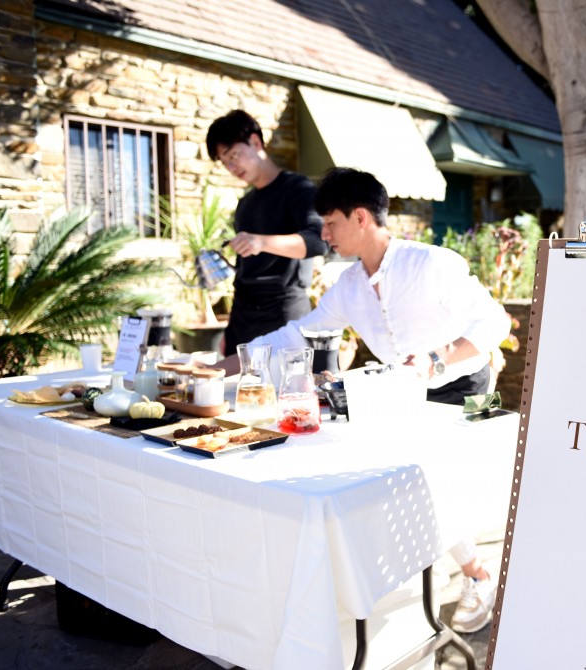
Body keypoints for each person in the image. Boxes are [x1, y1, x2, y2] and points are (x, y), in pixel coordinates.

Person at [215, 167, 509, 633]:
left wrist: (437, 359)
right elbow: (298, 334)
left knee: (436, 485)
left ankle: (477, 575)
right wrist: (221, 367)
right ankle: (425, 576)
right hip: (400, 393)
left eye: (330, 223)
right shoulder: (349, 285)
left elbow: (494, 323)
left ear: (360, 217)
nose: (324, 234)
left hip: (461, 386)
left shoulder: (430, 263)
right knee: (405, 482)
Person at [206, 110, 328, 356]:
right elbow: (245, 272)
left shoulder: (298, 188)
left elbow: (318, 241)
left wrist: (261, 242)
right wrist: (231, 331)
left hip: (285, 315)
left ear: (255, 142)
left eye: (233, 155)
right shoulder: (245, 204)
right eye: (225, 162)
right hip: (244, 319)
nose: (231, 167)